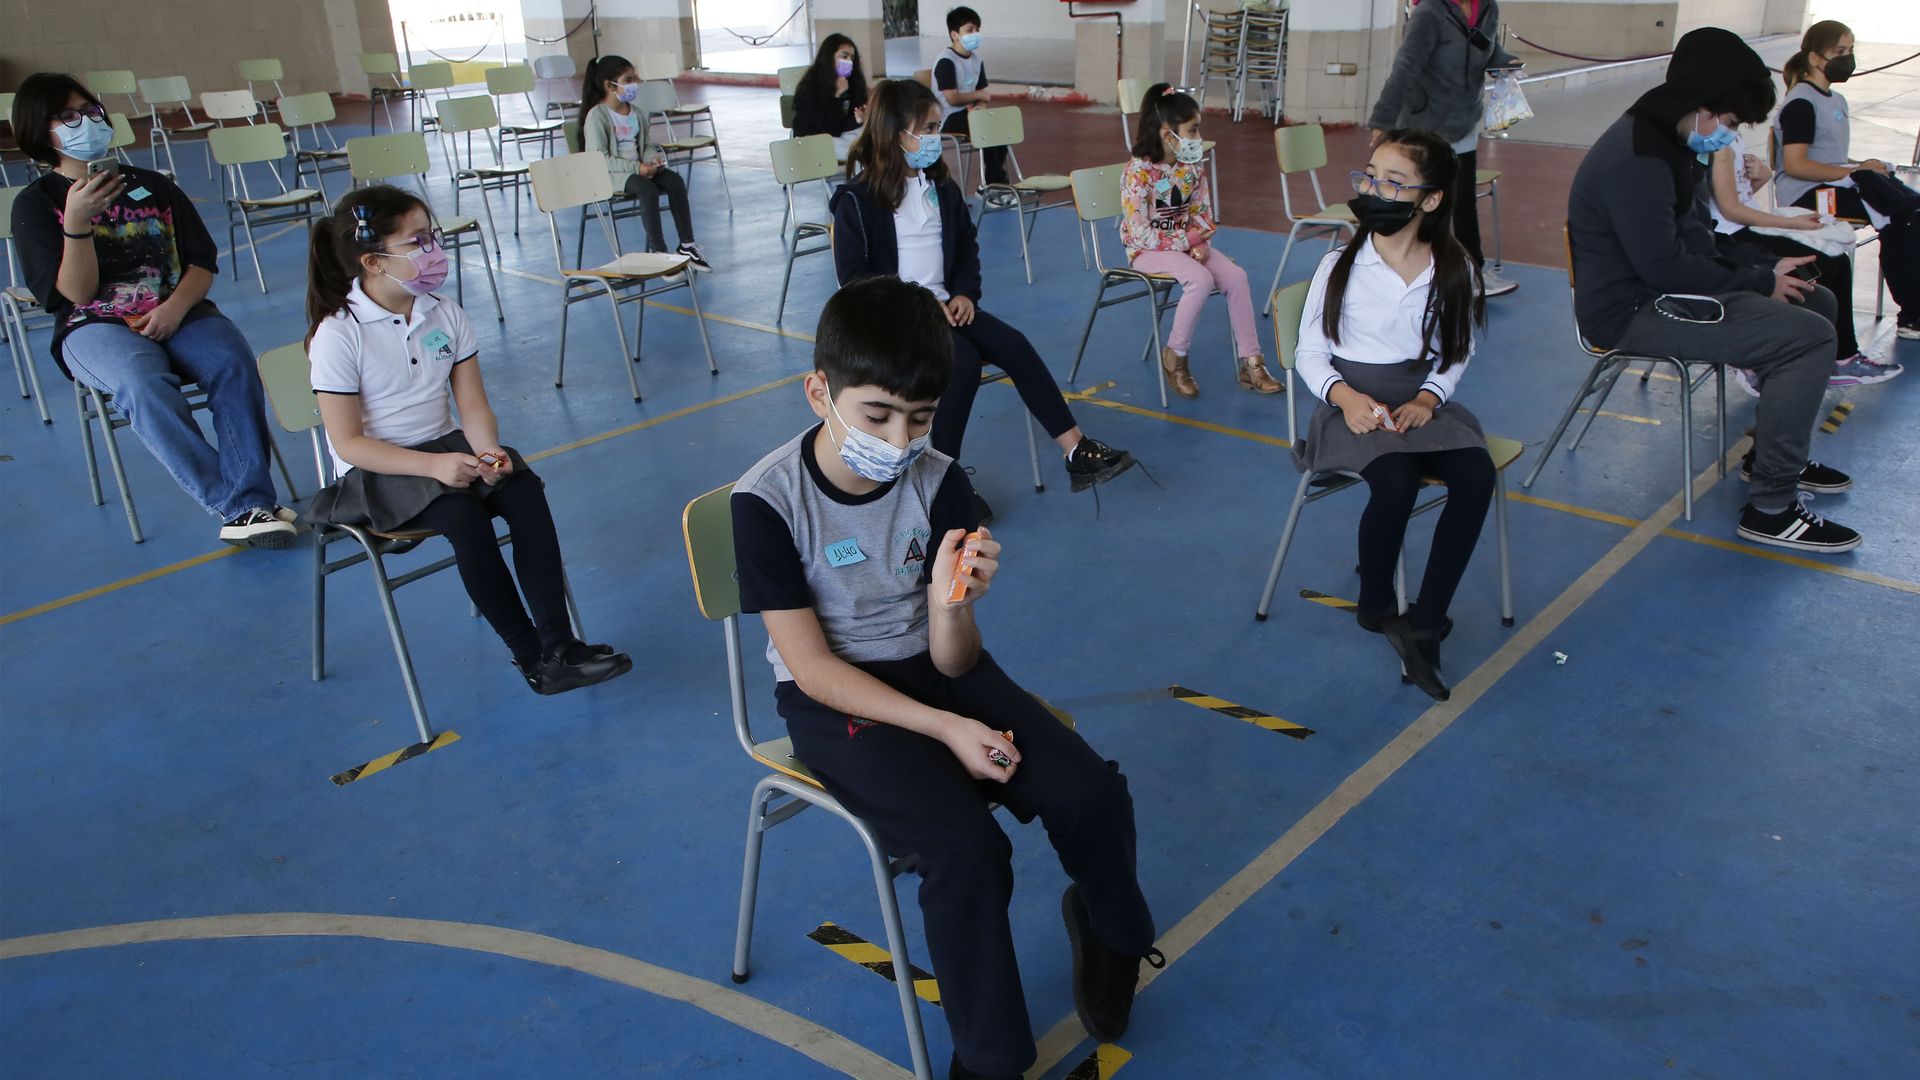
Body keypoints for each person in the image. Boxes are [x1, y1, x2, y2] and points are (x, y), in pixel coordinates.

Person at [729, 275, 1160, 1080]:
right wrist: (947, 729)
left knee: (1089, 792)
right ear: (819, 391)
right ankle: (991, 1061)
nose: (898, 442)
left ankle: (1114, 935)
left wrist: (949, 604)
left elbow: (957, 662)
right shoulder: (766, 502)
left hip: (939, 668)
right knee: (965, 849)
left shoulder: (939, 480)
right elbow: (814, 668)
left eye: (919, 420)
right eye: (877, 416)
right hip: (837, 698)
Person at [305, 185, 632, 695]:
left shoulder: (444, 312)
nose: (434, 250)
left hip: (445, 447)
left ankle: (561, 644)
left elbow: (473, 406)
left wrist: (487, 451)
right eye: (418, 242)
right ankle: (532, 660)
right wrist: (433, 468)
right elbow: (348, 443)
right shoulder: (338, 334)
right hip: (381, 469)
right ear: (373, 261)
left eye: (431, 236)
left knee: (524, 491)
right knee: (464, 517)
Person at [1568, 27, 1861, 554]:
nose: (1728, 136)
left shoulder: (1672, 141)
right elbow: (1665, 267)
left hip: (1663, 291)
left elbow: (1698, 240)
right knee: (1810, 336)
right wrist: (1757, 281)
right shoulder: (1638, 159)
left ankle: (1772, 452)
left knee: (1816, 298)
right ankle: (1771, 507)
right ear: (1699, 105)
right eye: (1727, 123)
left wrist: (1767, 267)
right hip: (1634, 310)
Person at [9, 72, 295, 548]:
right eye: (68, 117)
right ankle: (238, 504)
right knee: (142, 381)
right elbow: (73, 297)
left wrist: (175, 309)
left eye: (91, 110)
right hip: (92, 325)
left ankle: (250, 501)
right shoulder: (35, 205)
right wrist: (76, 224)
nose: (87, 122)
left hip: (177, 309)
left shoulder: (150, 185)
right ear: (42, 131)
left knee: (232, 361)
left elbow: (202, 262)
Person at [832, 79, 1135, 520]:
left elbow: (966, 250)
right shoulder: (857, 201)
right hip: (897, 320)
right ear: (897, 133)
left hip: (945, 308)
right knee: (962, 363)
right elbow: (855, 279)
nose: (937, 138)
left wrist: (963, 294)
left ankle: (1075, 450)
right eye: (929, 129)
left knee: (1014, 344)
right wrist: (917, 305)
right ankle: (944, 482)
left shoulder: (941, 188)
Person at [1294, 130, 1493, 702]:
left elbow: (1457, 351)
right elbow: (1308, 352)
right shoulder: (1340, 263)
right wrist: (1345, 398)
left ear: (1430, 200)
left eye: (1392, 182)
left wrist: (1430, 397)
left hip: (1416, 398)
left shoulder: (1455, 268)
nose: (1372, 190)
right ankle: (1376, 603)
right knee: (1396, 480)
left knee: (1477, 475)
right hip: (1349, 400)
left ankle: (1426, 621)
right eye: (1370, 176)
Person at [1702, 132, 1901, 386]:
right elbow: (1731, 211)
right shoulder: (1715, 141)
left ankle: (1843, 357)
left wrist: (1762, 177)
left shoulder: (1732, 135)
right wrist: (1789, 223)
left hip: (1745, 228)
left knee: (1835, 261)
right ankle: (1750, 349)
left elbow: (1733, 200)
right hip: (1730, 238)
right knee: (1817, 267)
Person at [1121, 84, 1280, 399]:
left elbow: (1204, 213)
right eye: (1192, 131)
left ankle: (1252, 362)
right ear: (1168, 134)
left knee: (1236, 277)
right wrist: (1187, 240)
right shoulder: (1137, 174)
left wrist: (1201, 241)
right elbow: (1140, 233)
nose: (1197, 138)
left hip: (1187, 245)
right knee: (1200, 279)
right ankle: (1175, 356)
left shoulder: (1191, 166)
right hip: (1147, 251)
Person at [1774, 19, 1920, 340]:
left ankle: (1913, 305)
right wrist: (1853, 171)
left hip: (1834, 183)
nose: (1848, 58)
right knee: (1897, 217)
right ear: (1815, 58)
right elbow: (1796, 165)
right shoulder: (1801, 103)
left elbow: (1831, 159)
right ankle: (1912, 314)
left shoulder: (1835, 100)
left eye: (1851, 50)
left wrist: (1865, 165)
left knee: (1909, 207)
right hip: (1807, 195)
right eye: (1839, 51)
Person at [1367, 0, 1522, 297]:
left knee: (1463, 201)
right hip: (1425, 123)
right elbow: (1405, 67)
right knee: (1419, 203)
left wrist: (1505, 62)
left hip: (1464, 121)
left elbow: (1489, 49)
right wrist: (1383, 120)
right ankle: (1394, 270)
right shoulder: (1430, 13)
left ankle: (1472, 273)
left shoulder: (1487, 8)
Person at [578, 54, 711, 271]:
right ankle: (659, 253)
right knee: (646, 189)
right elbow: (599, 159)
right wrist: (637, 168)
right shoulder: (597, 117)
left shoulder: (636, 113)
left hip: (639, 169)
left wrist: (651, 159)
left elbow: (646, 144)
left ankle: (687, 244)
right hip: (613, 176)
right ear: (609, 86)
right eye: (628, 80)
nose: (634, 85)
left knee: (674, 180)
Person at [933, 6, 1010, 201]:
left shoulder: (977, 60)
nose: (975, 34)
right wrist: (979, 98)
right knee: (983, 124)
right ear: (955, 34)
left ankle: (993, 184)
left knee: (998, 125)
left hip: (972, 115)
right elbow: (952, 97)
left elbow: (981, 96)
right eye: (970, 30)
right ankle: (995, 185)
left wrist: (980, 105)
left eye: (977, 29)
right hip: (948, 119)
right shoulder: (946, 61)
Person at [791, 33, 868, 161]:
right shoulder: (811, 88)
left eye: (851, 58)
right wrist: (837, 96)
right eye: (844, 56)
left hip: (840, 137)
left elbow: (846, 124)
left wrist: (859, 118)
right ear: (829, 58)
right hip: (814, 141)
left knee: (873, 141)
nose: (848, 61)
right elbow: (828, 129)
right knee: (860, 151)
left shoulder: (852, 83)